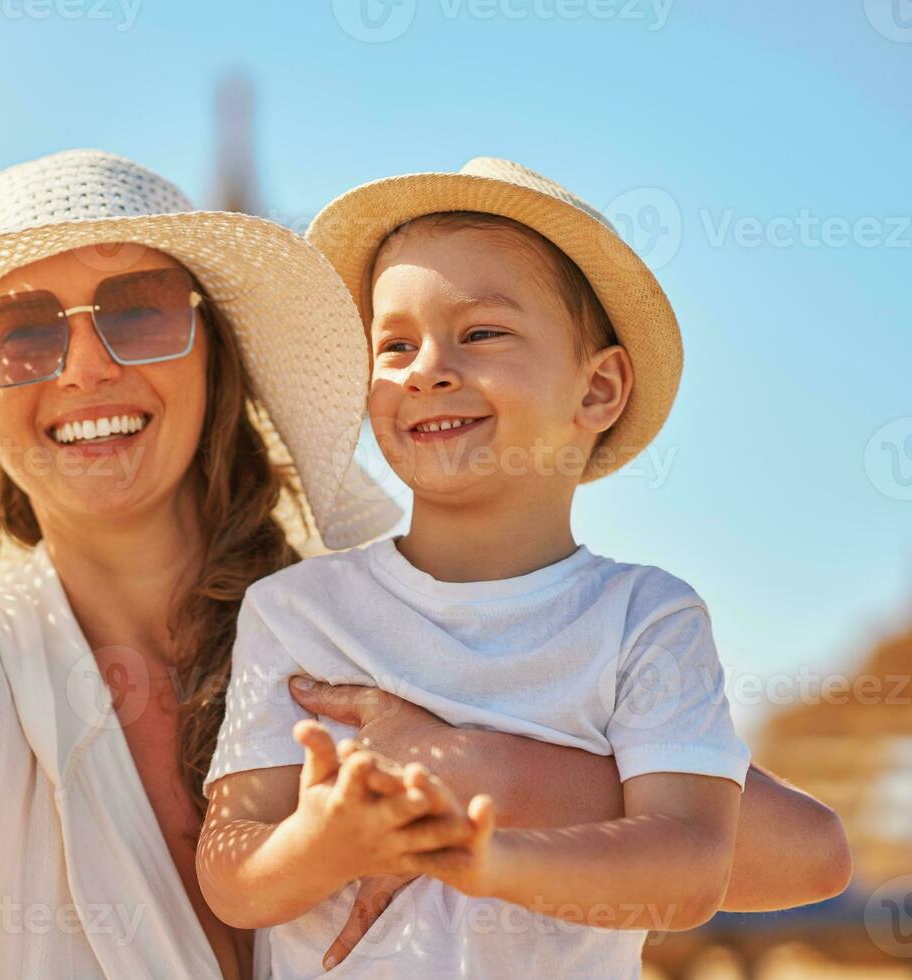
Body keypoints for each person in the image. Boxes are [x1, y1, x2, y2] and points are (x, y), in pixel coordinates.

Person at [0, 150, 849, 980]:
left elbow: (790, 854)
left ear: (217, 357)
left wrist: (459, 763)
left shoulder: (391, 606)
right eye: (21, 334)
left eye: (137, 312)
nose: (82, 366)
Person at [197, 158, 853, 978]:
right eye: (394, 343)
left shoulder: (645, 619)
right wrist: (320, 843)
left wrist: (489, 860)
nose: (425, 367)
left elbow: (689, 868)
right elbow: (231, 874)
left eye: (480, 333)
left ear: (599, 389)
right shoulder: (297, 613)